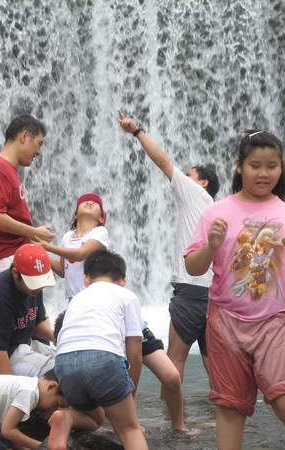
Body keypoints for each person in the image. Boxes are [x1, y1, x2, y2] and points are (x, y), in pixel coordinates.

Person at [184, 130, 285, 449]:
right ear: (239, 166)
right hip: (225, 322)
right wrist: (212, 246)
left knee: (282, 396)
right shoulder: (217, 212)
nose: (264, 173)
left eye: (272, 166)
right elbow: (193, 267)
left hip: (275, 320)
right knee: (229, 406)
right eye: (256, 165)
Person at [118, 111, 219, 398]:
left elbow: (163, 162)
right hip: (214, 295)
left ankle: (174, 426)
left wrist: (137, 131)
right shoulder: (215, 209)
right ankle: (222, 423)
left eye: (189, 176)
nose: (180, 178)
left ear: (202, 183)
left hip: (189, 291)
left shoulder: (194, 194)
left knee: (174, 363)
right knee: (216, 366)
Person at [52, 250, 148, 450]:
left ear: (86, 279)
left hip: (64, 362)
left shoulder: (78, 298)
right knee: (130, 429)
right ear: (122, 280)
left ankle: (66, 417)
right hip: (102, 358)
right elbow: (136, 355)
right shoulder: (127, 296)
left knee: (94, 417)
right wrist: (130, 396)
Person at [55, 310, 193, 435]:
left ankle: (178, 425)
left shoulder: (124, 300)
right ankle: (116, 424)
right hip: (103, 339)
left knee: (172, 377)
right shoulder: (76, 322)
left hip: (134, 331)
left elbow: (135, 362)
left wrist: (131, 396)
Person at [0, 114, 55, 274]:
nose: (39, 152)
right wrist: (34, 232)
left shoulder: (7, 169)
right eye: (39, 143)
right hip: (3, 259)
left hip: (12, 256)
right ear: (24, 136)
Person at [0, 243, 56, 379]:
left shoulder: (34, 287)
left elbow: (36, 323)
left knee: (62, 359)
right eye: (33, 282)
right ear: (15, 273)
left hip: (19, 344)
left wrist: (59, 338)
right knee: (52, 372)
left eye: (40, 282)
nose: (37, 288)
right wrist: (11, 387)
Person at [35, 193, 109, 301]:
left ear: (101, 219)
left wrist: (48, 247)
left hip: (94, 297)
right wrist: (41, 251)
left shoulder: (100, 232)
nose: (89, 202)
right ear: (75, 215)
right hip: (73, 299)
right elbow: (62, 271)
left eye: (95, 203)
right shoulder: (67, 236)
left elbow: (80, 254)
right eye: (84, 201)